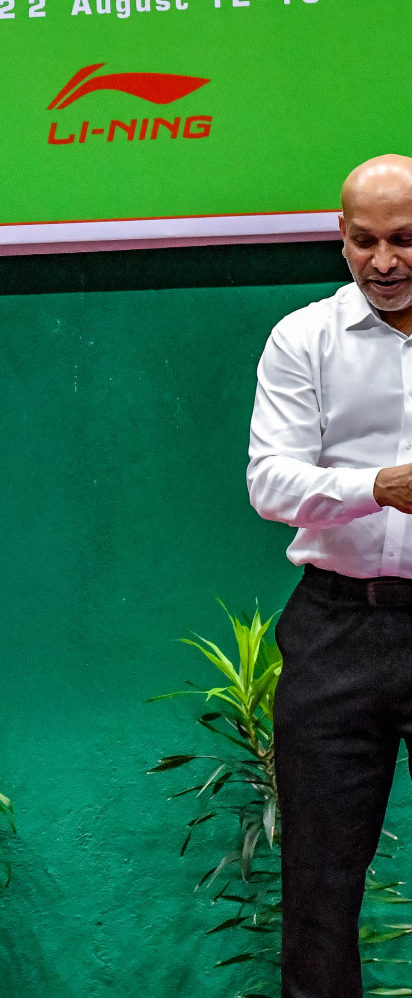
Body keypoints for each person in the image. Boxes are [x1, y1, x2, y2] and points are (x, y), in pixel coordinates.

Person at [248, 153, 412, 998]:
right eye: (364, 241)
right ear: (340, 240)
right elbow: (269, 483)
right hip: (336, 630)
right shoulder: (302, 337)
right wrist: (377, 488)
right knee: (318, 890)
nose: (383, 262)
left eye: (404, 240)